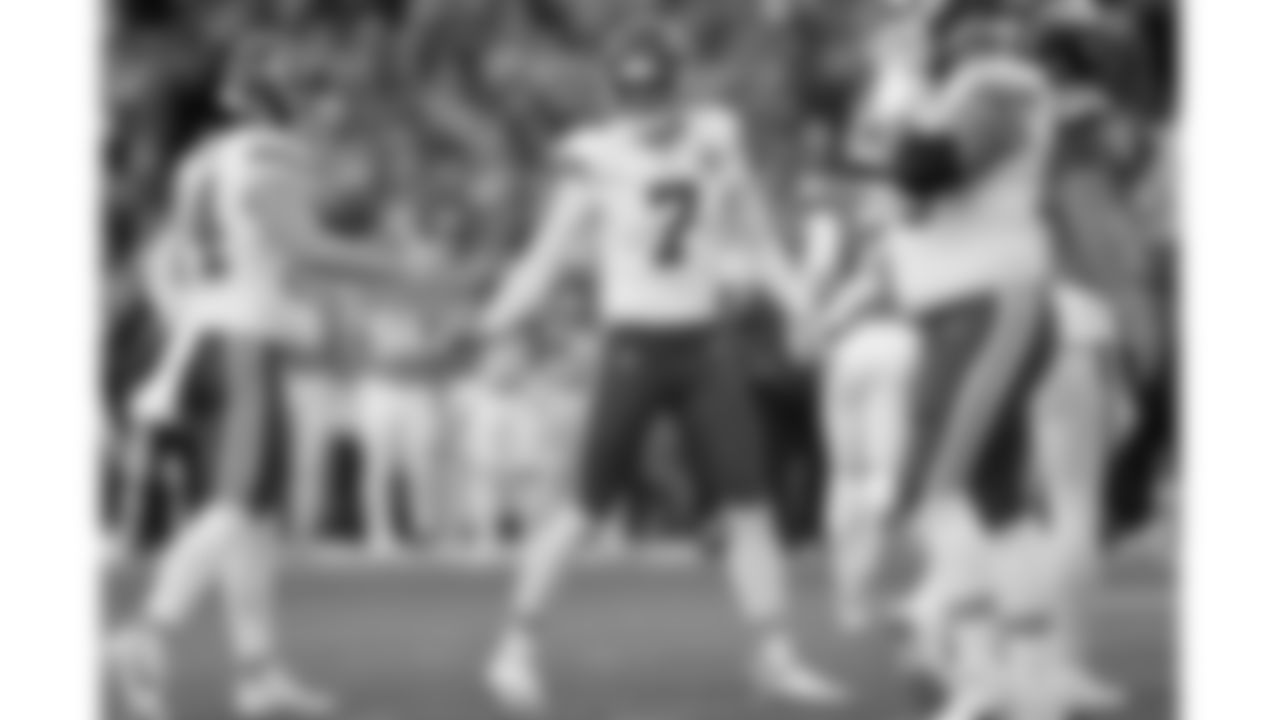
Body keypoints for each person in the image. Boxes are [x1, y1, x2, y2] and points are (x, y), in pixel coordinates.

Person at [476, 33, 846, 714]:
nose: (646, 114)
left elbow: (759, 238)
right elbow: (547, 255)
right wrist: (499, 321)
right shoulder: (594, 157)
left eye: (656, 96)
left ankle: (774, 653)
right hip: (635, 345)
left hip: (705, 343)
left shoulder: (716, 137)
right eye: (634, 98)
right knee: (582, 505)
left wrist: (802, 306)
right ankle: (514, 646)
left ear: (678, 88)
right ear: (617, 96)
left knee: (750, 503)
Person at [105, 50, 389, 720]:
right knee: (235, 505)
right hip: (242, 349)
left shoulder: (198, 163)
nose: (320, 109)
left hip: (208, 341)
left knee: (256, 518)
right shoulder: (270, 156)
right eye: (308, 92)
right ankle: (147, 632)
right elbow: (305, 247)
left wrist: (190, 322)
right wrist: (394, 274)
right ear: (281, 98)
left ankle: (257, 677)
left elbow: (160, 259)